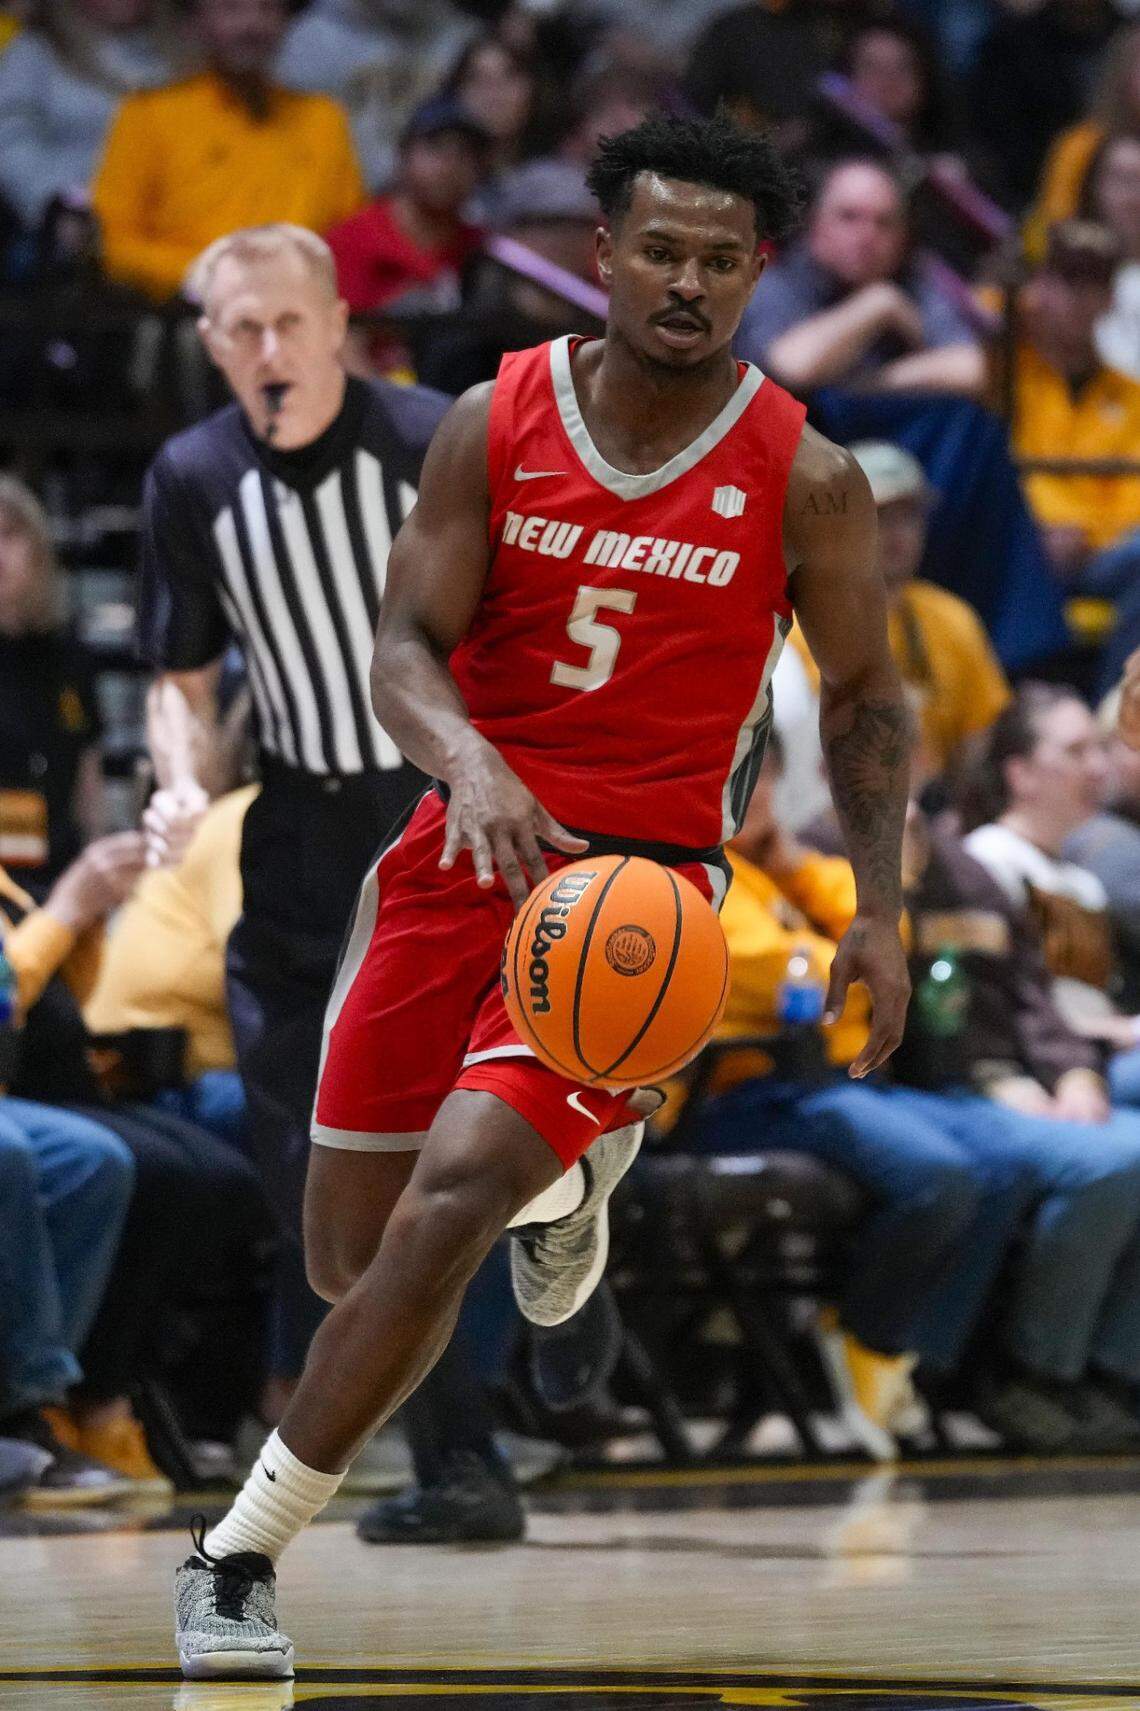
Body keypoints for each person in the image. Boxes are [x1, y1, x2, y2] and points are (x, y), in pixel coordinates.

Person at [171, 111, 911, 1680]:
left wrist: (883, 903)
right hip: (459, 859)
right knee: (349, 1257)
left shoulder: (811, 475)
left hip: (638, 904)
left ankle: (235, 1553)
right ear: (605, 253)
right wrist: (473, 763)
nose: (688, 280)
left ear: (759, 272)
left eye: (722, 258)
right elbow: (398, 650)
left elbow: (865, 702)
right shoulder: (491, 418)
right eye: (662, 248)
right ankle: (571, 1200)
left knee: (447, 1207)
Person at [139, 222, 529, 1538]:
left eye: (288, 323)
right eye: (239, 330)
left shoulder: (432, 434)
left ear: (339, 322)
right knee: (308, 1164)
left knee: (455, 1151)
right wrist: (181, 775)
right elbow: (181, 680)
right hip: (298, 835)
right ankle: (439, 1441)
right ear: (209, 343)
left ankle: (474, 1435)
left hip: (440, 817)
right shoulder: (190, 477)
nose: (267, 351)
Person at [682, 739, 1029, 1456]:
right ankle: (866, 1334)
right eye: (737, 784)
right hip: (742, 1097)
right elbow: (780, 969)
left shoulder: (780, 874)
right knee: (937, 1174)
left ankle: (903, 1353)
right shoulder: (689, 880)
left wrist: (800, 873)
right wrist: (832, 952)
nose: (758, 800)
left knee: (1006, 1163)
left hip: (831, 1086)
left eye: (766, 782)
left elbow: (883, 930)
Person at [91, 0, 365, 302]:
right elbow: (112, 241)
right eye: (231, 8)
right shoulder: (150, 115)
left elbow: (351, 240)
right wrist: (200, 272)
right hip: (184, 317)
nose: (252, 24)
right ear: (195, 23)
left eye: (268, 8)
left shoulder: (322, 119)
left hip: (302, 315)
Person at [785, 441, 1010, 782]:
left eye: (908, 516)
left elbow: (980, 745)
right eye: (879, 516)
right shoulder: (802, 625)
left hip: (933, 806)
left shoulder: (953, 618)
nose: (896, 533)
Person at [961, 684, 1140, 1110]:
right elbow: (998, 1001)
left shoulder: (1081, 881)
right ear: (1020, 773)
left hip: (1101, 1057)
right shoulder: (986, 860)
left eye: (1099, 750)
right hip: (1048, 1068)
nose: (1098, 768)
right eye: (1076, 752)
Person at [734, 159, 986, 399]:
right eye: (849, 217)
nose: (867, 235)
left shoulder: (912, 283)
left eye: (884, 222)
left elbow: (974, 369)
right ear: (815, 223)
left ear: (904, 236)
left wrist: (877, 383)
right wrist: (877, 305)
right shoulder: (774, 282)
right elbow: (791, 366)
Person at [1005, 221, 1140, 590]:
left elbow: (1134, 501)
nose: (1078, 298)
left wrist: (1087, 535)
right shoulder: (1007, 372)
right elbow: (983, 307)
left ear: (1111, 297)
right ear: (1042, 287)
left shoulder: (1131, 396)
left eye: (1093, 284)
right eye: (1066, 280)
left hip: (1099, 557)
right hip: (1017, 545)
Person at [326, 95, 490, 376]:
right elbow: (337, 344)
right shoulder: (352, 240)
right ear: (402, 156)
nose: (450, 166)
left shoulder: (481, 248)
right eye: (435, 149)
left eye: (465, 154)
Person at [0, 476, 105, 891]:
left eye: (9, 535)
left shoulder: (70, 655)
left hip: (61, 882)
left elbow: (88, 773)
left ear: (38, 551)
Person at [0, 0, 179, 237]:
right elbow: (10, 138)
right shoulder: (34, 53)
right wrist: (57, 205)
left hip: (171, 219)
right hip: (74, 220)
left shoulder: (185, 50)